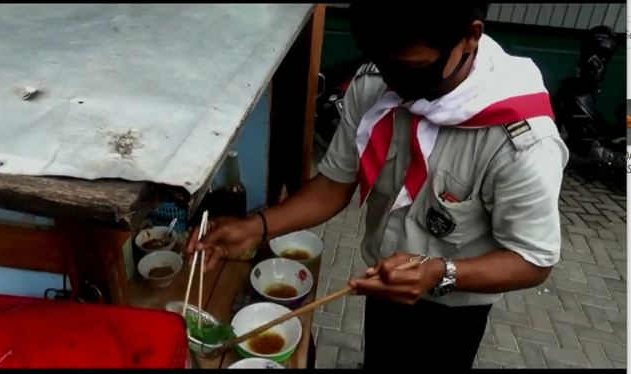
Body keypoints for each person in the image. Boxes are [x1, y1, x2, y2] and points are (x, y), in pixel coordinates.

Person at [186, 2, 569, 368]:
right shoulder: (375, 84)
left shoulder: (521, 142)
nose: (393, 83)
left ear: (470, 36)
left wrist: (439, 272)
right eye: (382, 62)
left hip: (453, 308)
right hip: (383, 284)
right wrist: (257, 226)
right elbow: (335, 184)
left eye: (411, 67)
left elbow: (533, 260)